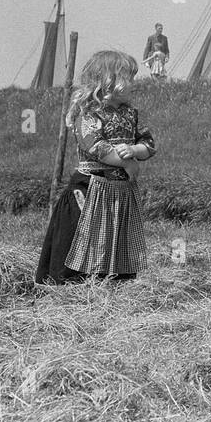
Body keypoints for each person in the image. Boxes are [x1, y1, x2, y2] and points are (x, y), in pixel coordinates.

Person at [36, 50, 156, 285]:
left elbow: (148, 143)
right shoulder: (88, 114)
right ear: (109, 82)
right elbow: (95, 146)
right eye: (128, 77)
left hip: (119, 191)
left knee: (115, 235)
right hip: (91, 187)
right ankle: (72, 283)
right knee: (84, 234)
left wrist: (135, 151)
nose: (133, 83)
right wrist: (127, 162)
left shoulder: (130, 114)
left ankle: (113, 279)